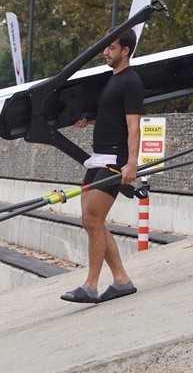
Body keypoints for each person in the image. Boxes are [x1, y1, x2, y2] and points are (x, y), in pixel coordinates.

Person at [60, 28, 143, 304]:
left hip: (115, 161)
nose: (106, 52)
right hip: (98, 157)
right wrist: (90, 121)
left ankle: (91, 285)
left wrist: (132, 163)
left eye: (111, 48)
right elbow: (113, 117)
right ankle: (121, 280)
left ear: (125, 51)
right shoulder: (113, 80)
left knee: (93, 219)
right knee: (90, 220)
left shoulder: (131, 81)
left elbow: (133, 126)